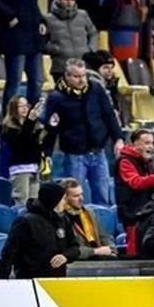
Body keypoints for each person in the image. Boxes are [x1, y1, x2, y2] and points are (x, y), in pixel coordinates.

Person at [42, 59, 125, 206]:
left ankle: (100, 226)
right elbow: (51, 127)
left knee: (103, 195)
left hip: (98, 152)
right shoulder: (56, 97)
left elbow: (108, 115)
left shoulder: (96, 89)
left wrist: (118, 138)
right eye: (76, 76)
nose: (81, 80)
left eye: (83, 76)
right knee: (74, 198)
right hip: (75, 155)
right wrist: (47, 153)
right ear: (67, 76)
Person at [114, 129, 154, 256]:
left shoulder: (146, 163)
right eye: (146, 143)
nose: (151, 147)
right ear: (135, 144)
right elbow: (136, 182)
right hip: (134, 217)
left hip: (148, 213)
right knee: (140, 253)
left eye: (152, 143)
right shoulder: (125, 161)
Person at [0, 182, 79, 280]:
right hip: (29, 281)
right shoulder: (25, 222)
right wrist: (1, 281)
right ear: (54, 200)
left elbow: (75, 248)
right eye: (63, 199)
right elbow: (8, 254)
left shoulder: (63, 220)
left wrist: (65, 256)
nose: (65, 203)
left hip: (58, 282)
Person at [44, 0, 98, 80]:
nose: (69, 3)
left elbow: (93, 33)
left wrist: (90, 50)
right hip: (61, 68)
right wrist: (54, 49)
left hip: (83, 67)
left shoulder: (83, 15)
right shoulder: (48, 19)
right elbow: (40, 41)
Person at [1, 96, 45, 207]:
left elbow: (38, 144)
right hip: (20, 169)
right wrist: (30, 121)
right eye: (21, 106)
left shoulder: (34, 125)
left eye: (26, 105)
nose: (25, 108)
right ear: (13, 108)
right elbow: (21, 143)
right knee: (22, 200)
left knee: (35, 201)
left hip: (34, 168)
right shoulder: (8, 127)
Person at [61, 178, 116, 260]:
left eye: (81, 194)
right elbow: (69, 250)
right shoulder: (61, 217)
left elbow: (104, 237)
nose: (81, 198)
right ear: (64, 198)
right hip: (78, 260)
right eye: (76, 196)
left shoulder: (89, 213)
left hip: (98, 256)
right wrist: (95, 251)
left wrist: (111, 249)